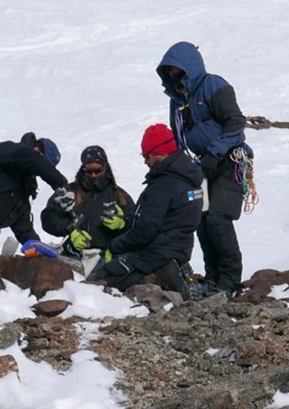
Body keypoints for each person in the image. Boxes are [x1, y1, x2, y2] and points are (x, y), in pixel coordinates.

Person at [156, 41, 252, 294]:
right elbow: (178, 135)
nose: (173, 75)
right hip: (200, 165)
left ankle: (230, 280)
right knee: (201, 219)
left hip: (230, 160)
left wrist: (214, 151)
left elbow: (235, 124)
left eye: (177, 70)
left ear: (190, 67)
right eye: (169, 71)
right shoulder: (176, 100)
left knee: (219, 218)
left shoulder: (214, 86)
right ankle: (213, 276)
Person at [87, 124, 203, 294]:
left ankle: (157, 279)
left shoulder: (163, 185)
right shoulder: (188, 177)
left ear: (160, 154)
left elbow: (146, 230)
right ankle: (173, 275)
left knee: (100, 279)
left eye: (147, 156)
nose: (145, 161)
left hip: (153, 255)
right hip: (179, 249)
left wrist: (115, 246)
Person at [39, 145, 137, 260]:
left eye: (98, 171)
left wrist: (123, 224)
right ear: (82, 169)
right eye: (89, 171)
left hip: (106, 257)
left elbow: (137, 227)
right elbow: (48, 217)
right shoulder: (69, 193)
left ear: (105, 168)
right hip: (73, 254)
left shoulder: (120, 196)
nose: (93, 175)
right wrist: (69, 229)